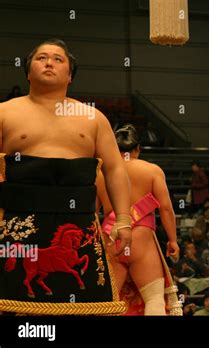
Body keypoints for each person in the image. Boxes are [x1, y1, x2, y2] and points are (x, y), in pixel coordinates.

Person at [0, 38, 131, 315]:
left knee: (84, 305)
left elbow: (115, 169)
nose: (49, 63)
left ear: (70, 75)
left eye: (58, 59)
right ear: (27, 71)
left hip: (80, 221)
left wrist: (122, 219)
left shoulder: (93, 117)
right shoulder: (5, 112)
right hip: (18, 220)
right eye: (41, 58)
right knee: (14, 304)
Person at [97, 125, 180, 315]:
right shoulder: (152, 171)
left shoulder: (100, 174)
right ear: (138, 149)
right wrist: (172, 240)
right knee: (154, 300)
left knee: (106, 302)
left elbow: (92, 213)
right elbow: (166, 209)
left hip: (111, 239)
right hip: (141, 241)